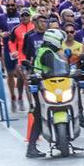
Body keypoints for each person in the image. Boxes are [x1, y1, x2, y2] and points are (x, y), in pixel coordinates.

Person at [25, 28, 67, 158]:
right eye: (60, 41)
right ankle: (31, 148)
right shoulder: (48, 53)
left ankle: (60, 141)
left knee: (40, 114)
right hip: (43, 87)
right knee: (39, 116)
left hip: (43, 86)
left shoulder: (44, 51)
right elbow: (53, 70)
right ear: (54, 40)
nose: (61, 43)